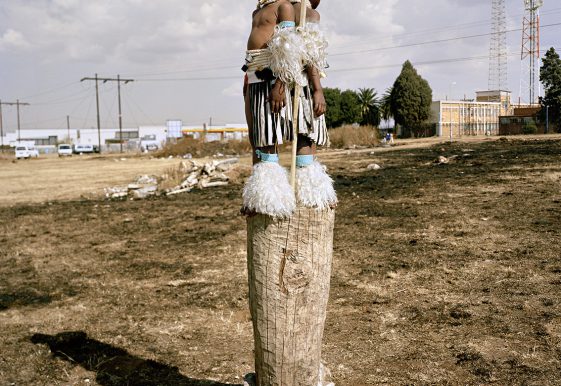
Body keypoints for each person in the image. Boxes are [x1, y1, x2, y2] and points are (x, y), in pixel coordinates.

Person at [242, 0, 336, 219]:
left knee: (298, 136)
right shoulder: (260, 9)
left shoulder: (288, 8)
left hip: (277, 79)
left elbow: (290, 49)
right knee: (260, 138)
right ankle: (262, 199)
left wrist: (282, 85)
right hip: (255, 77)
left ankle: (308, 197)